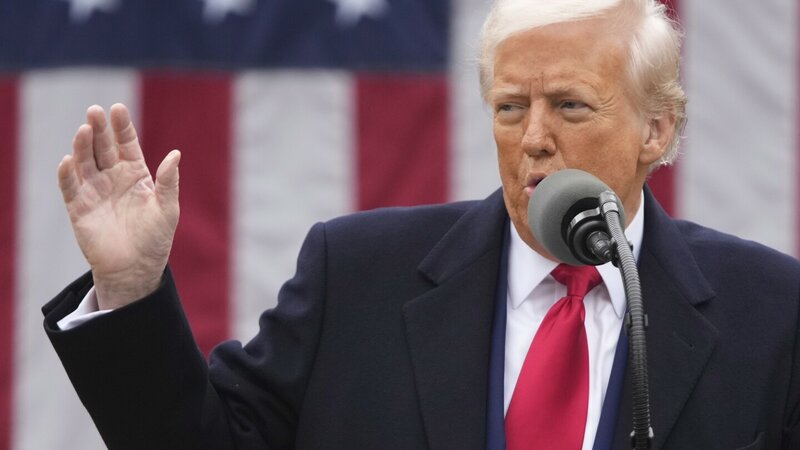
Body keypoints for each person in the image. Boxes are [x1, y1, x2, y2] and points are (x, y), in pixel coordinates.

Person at [44, 0, 800, 449]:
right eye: (511, 107)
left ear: (656, 130)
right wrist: (130, 288)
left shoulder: (770, 311)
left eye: (570, 106)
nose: (534, 138)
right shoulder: (356, 277)